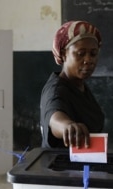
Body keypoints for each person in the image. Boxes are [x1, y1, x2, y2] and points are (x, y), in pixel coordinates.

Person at [40, 20, 104, 149]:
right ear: (63, 54)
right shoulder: (56, 90)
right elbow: (54, 117)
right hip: (60, 167)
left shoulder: (79, 86)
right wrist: (68, 126)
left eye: (93, 54)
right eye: (80, 54)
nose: (88, 60)